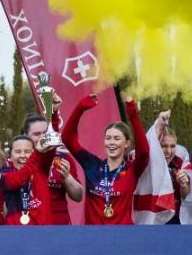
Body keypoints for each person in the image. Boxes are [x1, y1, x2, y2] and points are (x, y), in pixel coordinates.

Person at [61, 93, 150, 225]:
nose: (111, 142)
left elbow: (144, 152)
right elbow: (68, 138)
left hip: (122, 237)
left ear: (126, 143)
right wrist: (80, 108)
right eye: (108, 138)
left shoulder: (132, 169)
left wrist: (132, 114)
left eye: (117, 138)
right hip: (93, 237)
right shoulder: (92, 165)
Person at [21, 105, 84, 223]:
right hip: (29, 225)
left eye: (45, 132)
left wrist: (67, 177)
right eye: (36, 134)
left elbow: (78, 196)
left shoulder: (63, 157)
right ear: (26, 135)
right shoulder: (19, 160)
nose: (42, 137)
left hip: (60, 226)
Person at [0, 134, 59, 225]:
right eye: (18, 151)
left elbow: (51, 150)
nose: (23, 155)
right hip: (14, 235)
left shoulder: (41, 170)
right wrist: (37, 153)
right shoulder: (5, 174)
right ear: (10, 156)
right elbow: (19, 180)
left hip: (43, 234)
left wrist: (53, 129)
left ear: (33, 153)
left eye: (27, 151)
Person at [159, 125, 192, 224]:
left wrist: (183, 184)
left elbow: (184, 195)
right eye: (164, 146)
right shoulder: (149, 164)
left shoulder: (179, 163)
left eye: (172, 146)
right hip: (155, 218)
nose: (169, 151)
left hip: (175, 216)